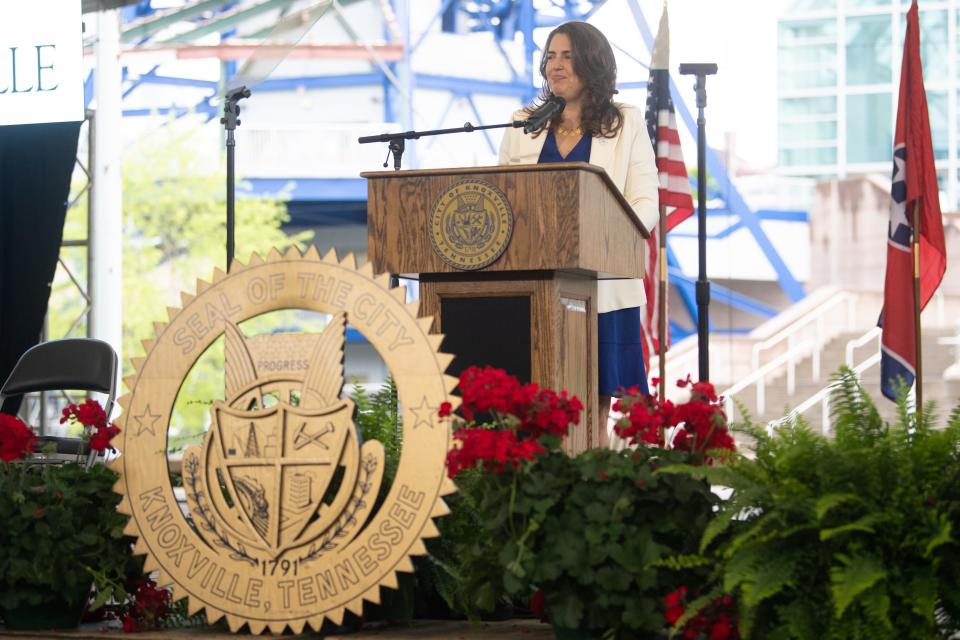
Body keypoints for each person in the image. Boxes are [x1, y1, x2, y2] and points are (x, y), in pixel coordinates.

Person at [498, 21, 659, 448]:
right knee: (536, 402)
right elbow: (501, 200)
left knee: (596, 404)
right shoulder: (523, 124)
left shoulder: (626, 121)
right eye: (550, 56)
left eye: (567, 56)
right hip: (535, 285)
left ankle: (591, 485)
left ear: (593, 62)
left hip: (604, 286)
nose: (556, 65)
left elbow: (647, 202)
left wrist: (605, 243)